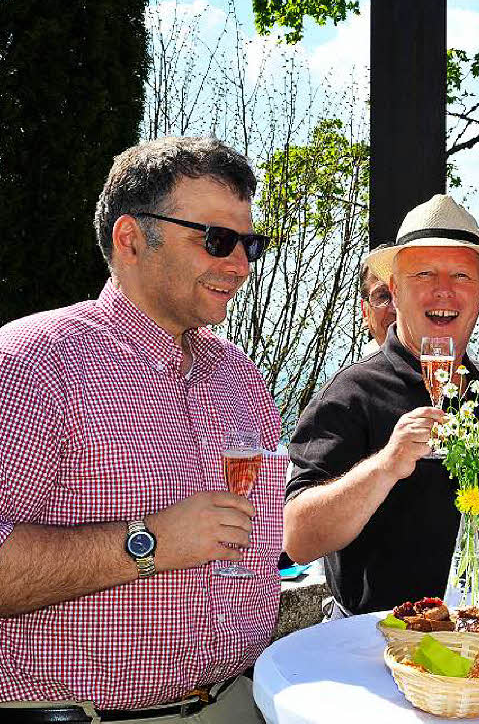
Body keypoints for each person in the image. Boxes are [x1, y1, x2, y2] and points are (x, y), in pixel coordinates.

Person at [0, 136, 284, 722]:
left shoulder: (243, 380)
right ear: (130, 238)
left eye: (248, 243)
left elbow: (263, 547)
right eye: (216, 239)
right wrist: (147, 543)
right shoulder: (35, 363)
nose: (240, 264)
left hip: (239, 702)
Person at [284, 194, 479, 616]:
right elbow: (298, 538)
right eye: (424, 274)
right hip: (376, 650)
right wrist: (386, 465)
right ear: (395, 291)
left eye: (462, 277)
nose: (443, 291)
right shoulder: (351, 393)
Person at [359, 243, 397, 350]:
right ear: (365, 312)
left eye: (403, 295)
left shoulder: (441, 363)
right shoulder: (360, 367)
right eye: (383, 296)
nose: (394, 308)